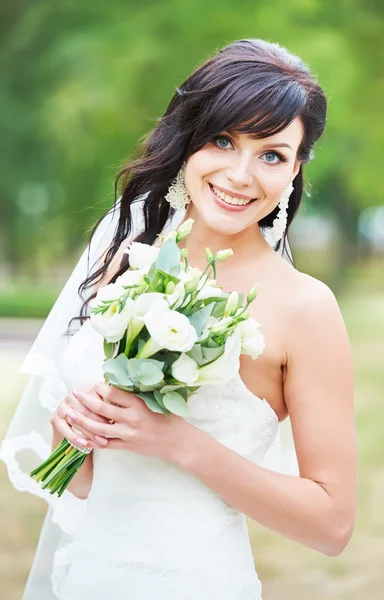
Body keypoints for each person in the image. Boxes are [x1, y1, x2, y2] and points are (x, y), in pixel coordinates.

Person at [0, 38, 357, 599]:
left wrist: (179, 441)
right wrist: (72, 427)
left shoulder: (305, 308)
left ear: (294, 170)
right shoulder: (127, 248)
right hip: (89, 575)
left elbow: (332, 525)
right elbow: (85, 484)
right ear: (187, 137)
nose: (241, 175)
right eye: (223, 140)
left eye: (271, 154)